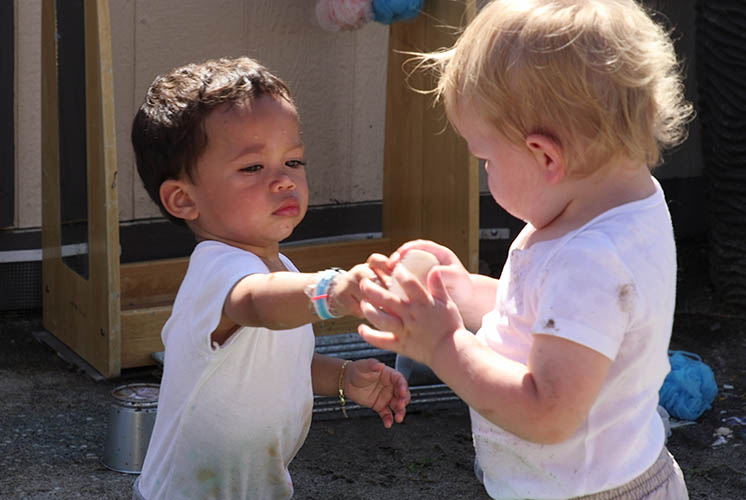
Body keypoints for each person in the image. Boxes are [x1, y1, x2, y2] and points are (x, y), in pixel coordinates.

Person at [357, 0, 693, 498]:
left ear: (544, 155)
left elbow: (548, 412)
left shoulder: (593, 260)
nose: (485, 173)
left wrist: (443, 343)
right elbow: (547, 317)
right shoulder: (607, 209)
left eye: (485, 158)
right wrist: (461, 291)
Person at [129, 56, 410, 500]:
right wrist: (333, 289)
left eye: (293, 161)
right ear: (183, 200)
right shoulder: (220, 270)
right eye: (253, 168)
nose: (284, 181)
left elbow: (279, 364)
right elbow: (259, 303)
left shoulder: (281, 269)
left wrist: (344, 377)